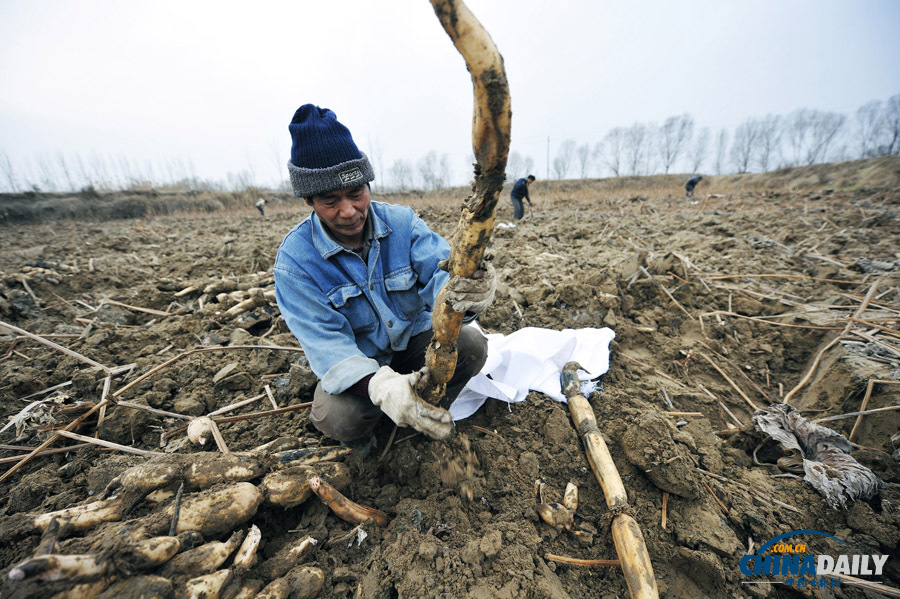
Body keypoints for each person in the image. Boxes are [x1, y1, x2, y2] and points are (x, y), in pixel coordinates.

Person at [274, 104, 494, 448]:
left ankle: (425, 414)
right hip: (360, 366)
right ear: (308, 199)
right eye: (330, 201)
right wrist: (379, 386)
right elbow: (327, 345)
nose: (348, 211)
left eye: (356, 193)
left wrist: (468, 290)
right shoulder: (295, 263)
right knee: (340, 417)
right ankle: (379, 436)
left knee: (471, 345)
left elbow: (441, 277)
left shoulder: (403, 225)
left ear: (367, 184)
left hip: (414, 344)